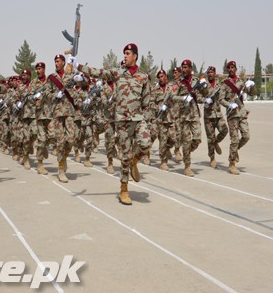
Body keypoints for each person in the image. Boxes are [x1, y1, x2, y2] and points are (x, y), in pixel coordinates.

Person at [72, 43, 151, 205]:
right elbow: (99, 73)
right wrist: (78, 66)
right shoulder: (117, 73)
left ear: (135, 55)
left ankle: (136, 161)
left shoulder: (143, 77)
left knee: (146, 143)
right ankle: (124, 189)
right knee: (125, 156)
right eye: (124, 54)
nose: (125, 56)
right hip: (122, 120)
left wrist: (147, 118)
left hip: (138, 118)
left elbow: (147, 101)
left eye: (128, 53)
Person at [43, 54, 77, 183]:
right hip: (57, 112)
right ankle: (61, 169)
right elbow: (47, 93)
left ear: (64, 62)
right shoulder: (52, 78)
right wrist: (54, 95)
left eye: (58, 61)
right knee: (60, 141)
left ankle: (64, 157)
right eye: (55, 61)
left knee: (71, 138)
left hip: (69, 111)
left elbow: (82, 81)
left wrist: (78, 74)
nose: (56, 63)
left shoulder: (70, 74)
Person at [219, 61, 256, 175]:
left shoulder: (241, 82)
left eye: (233, 67)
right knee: (234, 139)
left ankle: (234, 152)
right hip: (232, 115)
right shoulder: (225, 83)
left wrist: (252, 85)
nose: (231, 69)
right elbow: (221, 99)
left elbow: (251, 93)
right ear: (227, 70)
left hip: (242, 113)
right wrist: (229, 104)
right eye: (229, 67)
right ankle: (232, 164)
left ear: (235, 69)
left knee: (246, 136)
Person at [172, 60, 208, 176]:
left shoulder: (195, 80)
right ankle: (187, 166)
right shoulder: (178, 82)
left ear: (190, 68)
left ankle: (186, 152)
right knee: (186, 142)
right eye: (183, 67)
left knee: (197, 139)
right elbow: (172, 97)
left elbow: (205, 93)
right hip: (183, 116)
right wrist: (182, 99)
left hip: (194, 114)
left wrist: (204, 85)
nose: (184, 69)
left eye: (186, 67)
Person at [199, 66, 228, 169]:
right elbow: (197, 96)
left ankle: (216, 142)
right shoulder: (203, 84)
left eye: (212, 72)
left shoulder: (219, 85)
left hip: (218, 114)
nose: (210, 74)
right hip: (208, 115)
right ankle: (212, 158)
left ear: (215, 73)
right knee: (210, 138)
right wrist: (204, 100)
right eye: (209, 72)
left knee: (224, 130)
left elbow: (222, 97)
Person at [150, 69, 177, 171]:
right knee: (163, 141)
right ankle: (163, 162)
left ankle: (167, 150)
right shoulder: (155, 90)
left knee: (174, 138)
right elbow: (151, 103)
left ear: (166, 77)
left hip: (171, 117)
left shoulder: (172, 87)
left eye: (162, 76)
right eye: (159, 77)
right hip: (161, 119)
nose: (161, 78)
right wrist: (158, 107)